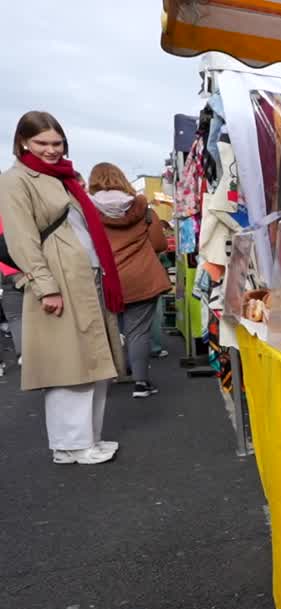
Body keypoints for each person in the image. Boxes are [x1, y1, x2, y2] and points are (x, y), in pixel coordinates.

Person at [0, 111, 125, 464]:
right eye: (42, 143)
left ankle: (87, 438)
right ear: (23, 141)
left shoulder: (63, 177)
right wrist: (45, 286)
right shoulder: (15, 180)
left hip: (85, 277)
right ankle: (71, 444)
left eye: (57, 143)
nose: (51, 150)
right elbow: (22, 239)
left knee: (94, 363)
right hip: (60, 279)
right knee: (69, 366)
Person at [88, 162, 170, 398]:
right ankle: (141, 383)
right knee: (138, 332)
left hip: (105, 280)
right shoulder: (143, 210)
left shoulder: (86, 212)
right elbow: (159, 244)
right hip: (142, 278)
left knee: (108, 329)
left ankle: (111, 375)